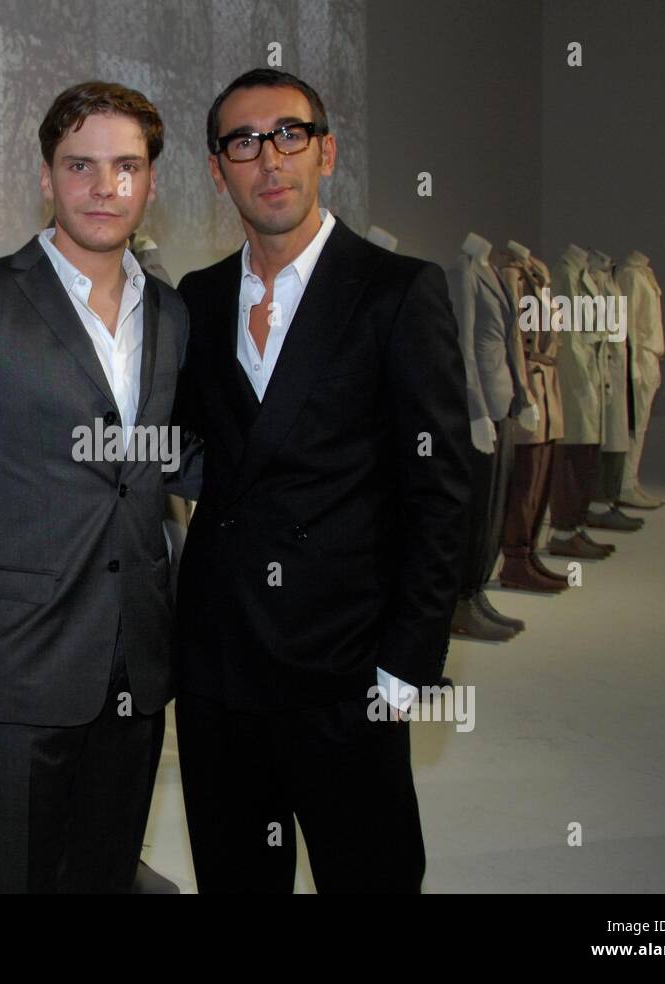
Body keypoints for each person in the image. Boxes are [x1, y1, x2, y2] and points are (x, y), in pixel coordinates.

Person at [173, 69, 472, 892]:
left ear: (326, 151)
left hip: (346, 670)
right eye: (243, 142)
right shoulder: (198, 301)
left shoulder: (397, 291)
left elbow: (440, 488)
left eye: (289, 135)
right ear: (216, 168)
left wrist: (407, 661)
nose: (268, 160)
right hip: (220, 668)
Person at [0, 81, 198, 892]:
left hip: (136, 665)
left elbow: (167, 462)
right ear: (46, 177)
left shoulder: (171, 315)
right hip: (12, 675)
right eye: (82, 166)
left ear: (151, 183)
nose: (106, 187)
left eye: (126, 166)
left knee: (106, 878)